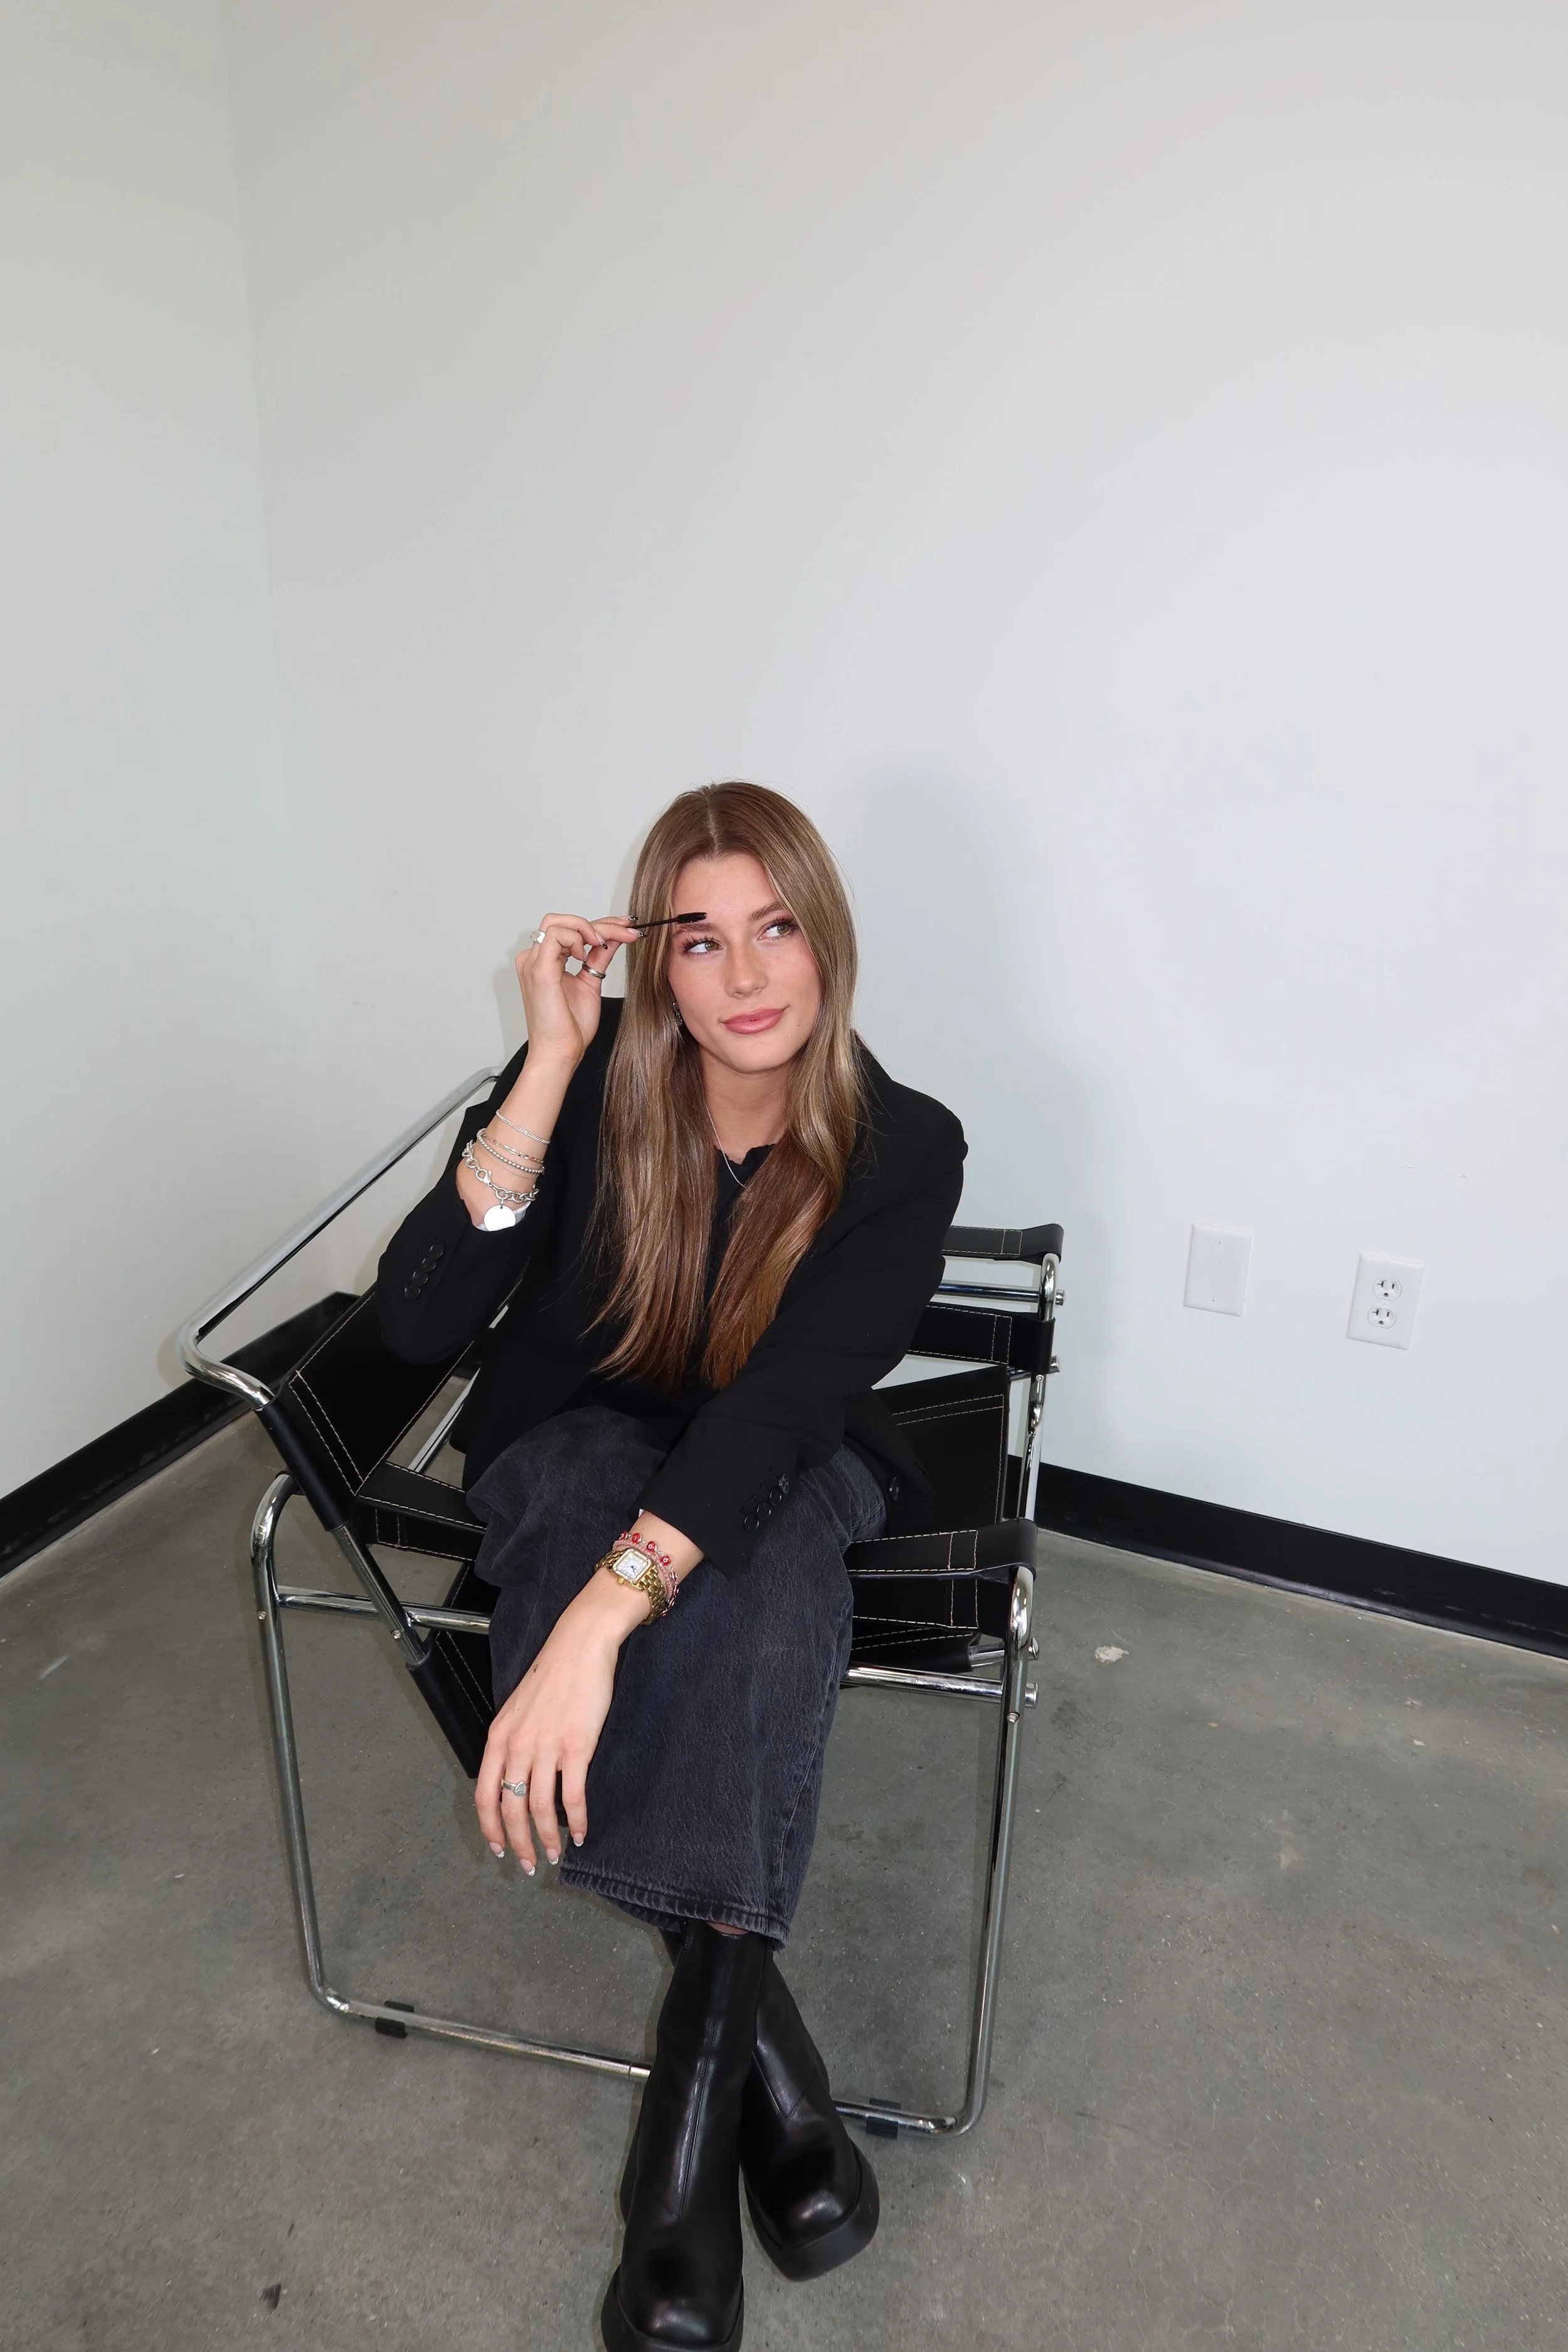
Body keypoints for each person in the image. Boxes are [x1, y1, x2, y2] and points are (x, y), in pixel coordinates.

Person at [378, 781, 965, 2352]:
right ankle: (788, 2120)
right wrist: (551, 1070)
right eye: (698, 941)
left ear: (826, 939)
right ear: (656, 960)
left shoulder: (902, 1144)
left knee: (763, 1580)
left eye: (776, 927)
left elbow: (780, 1405)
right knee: (577, 1481)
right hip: (586, 1442)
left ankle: (676, 2166)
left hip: (789, 1455)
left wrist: (585, 1633)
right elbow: (416, 1322)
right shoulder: (590, 1073)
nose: (744, 977)